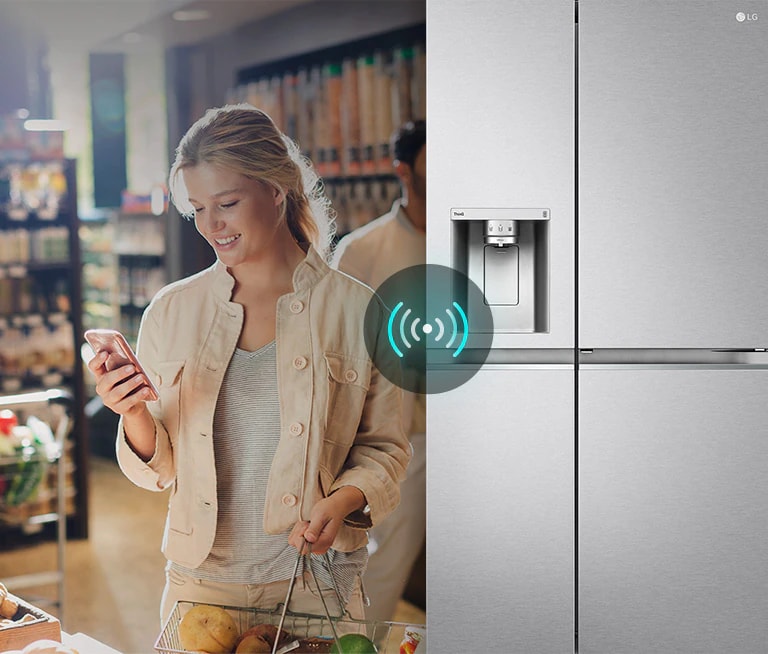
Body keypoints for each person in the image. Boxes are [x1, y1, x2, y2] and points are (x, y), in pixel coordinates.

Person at [87, 104, 411, 625]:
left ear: (276, 189)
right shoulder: (172, 311)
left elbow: (387, 449)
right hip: (199, 586)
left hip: (317, 587)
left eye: (228, 203)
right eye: (197, 210)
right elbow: (160, 470)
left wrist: (343, 500)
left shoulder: (359, 310)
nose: (212, 226)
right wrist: (132, 413)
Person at [331, 119, 426, 623]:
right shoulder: (363, 251)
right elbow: (338, 349)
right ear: (404, 172)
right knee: (384, 562)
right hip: (403, 440)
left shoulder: (481, 239)